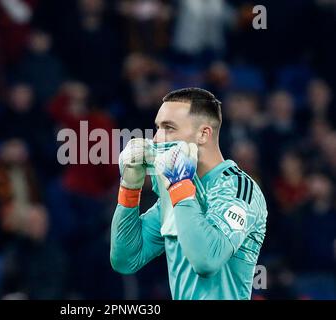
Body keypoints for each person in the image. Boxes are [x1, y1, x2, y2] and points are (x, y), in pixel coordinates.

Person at [110, 87, 268, 300]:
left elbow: (207, 261)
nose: (156, 139)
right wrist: (130, 187)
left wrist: (179, 187)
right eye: (157, 127)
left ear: (203, 134)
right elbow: (126, 259)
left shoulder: (238, 189)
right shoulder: (174, 189)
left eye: (169, 128)